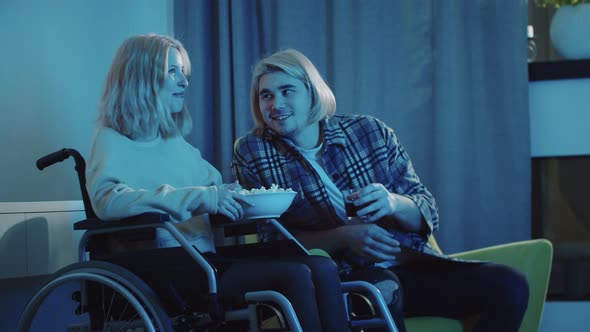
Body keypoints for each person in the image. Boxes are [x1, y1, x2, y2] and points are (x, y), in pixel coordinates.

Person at [232, 48, 530, 332]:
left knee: (510, 285)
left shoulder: (369, 131)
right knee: (382, 289)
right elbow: (267, 240)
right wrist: (344, 237)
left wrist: (393, 202)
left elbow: (427, 211)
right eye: (266, 96)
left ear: (311, 93)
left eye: (287, 91)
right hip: (343, 279)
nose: (276, 104)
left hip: (410, 267)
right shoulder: (253, 150)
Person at [85, 34, 350, 331]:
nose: (183, 82)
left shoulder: (177, 145)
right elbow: (108, 200)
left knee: (321, 266)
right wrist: (200, 197)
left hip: (206, 260)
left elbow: (215, 191)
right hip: (166, 266)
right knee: (296, 274)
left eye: (183, 73)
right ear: (140, 75)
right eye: (172, 72)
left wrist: (241, 198)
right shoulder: (111, 141)